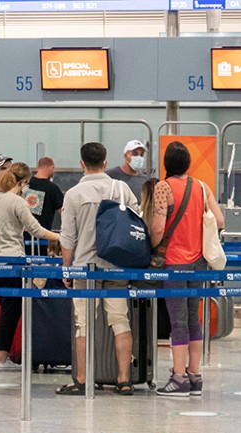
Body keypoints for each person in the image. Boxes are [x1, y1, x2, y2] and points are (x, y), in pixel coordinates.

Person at [57, 142, 138, 396]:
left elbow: (67, 238)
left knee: (83, 323)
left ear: (82, 164)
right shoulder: (121, 188)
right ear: (105, 163)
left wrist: (66, 269)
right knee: (120, 320)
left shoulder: (72, 194)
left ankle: (82, 379)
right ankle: (124, 379)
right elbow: (137, 224)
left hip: (84, 268)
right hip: (117, 266)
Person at [151, 142, 224, 397]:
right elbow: (220, 220)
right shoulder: (202, 187)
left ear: (166, 164)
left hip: (174, 262)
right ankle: (195, 376)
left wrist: (151, 245)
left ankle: (178, 377)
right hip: (198, 263)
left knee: (177, 321)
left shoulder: (163, 187)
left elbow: (159, 228)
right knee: (194, 319)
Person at [0, 162, 59, 371]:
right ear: (24, 182)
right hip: (11, 261)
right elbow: (37, 230)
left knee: (6, 308)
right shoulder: (17, 202)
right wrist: (61, 237)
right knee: (12, 310)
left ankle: (0, 356)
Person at [23, 156, 64, 254]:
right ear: (51, 168)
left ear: (38, 167)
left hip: (22, 238)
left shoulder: (25, 185)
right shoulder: (53, 189)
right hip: (43, 239)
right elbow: (64, 213)